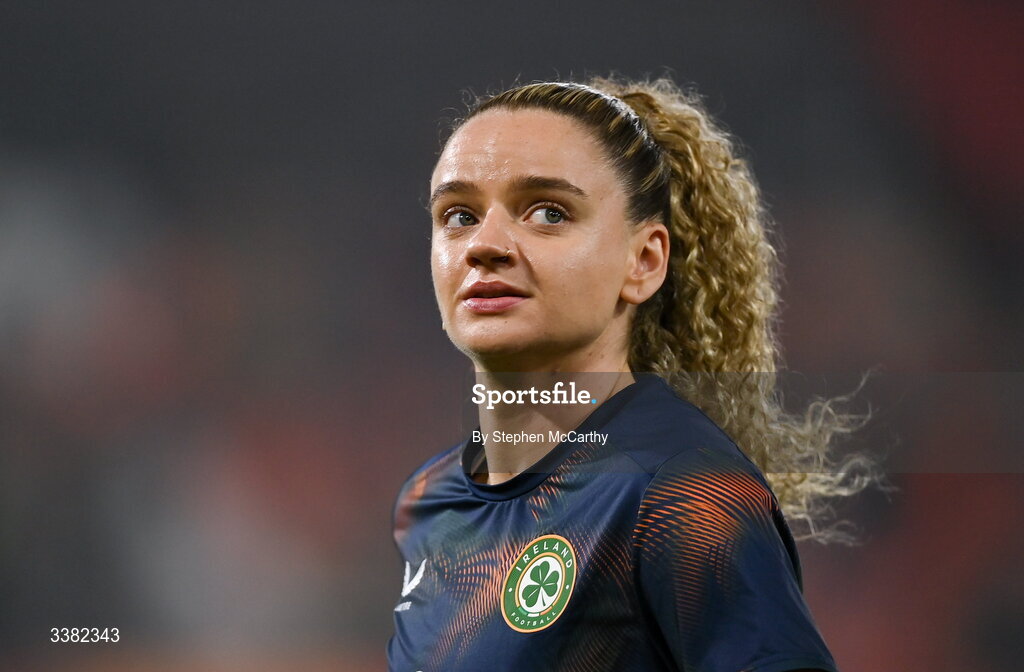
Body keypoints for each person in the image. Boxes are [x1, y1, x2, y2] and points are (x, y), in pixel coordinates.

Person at [387, 76, 868, 672]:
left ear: (643, 261)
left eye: (548, 212)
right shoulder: (428, 500)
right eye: (458, 215)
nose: (483, 245)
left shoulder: (681, 491)